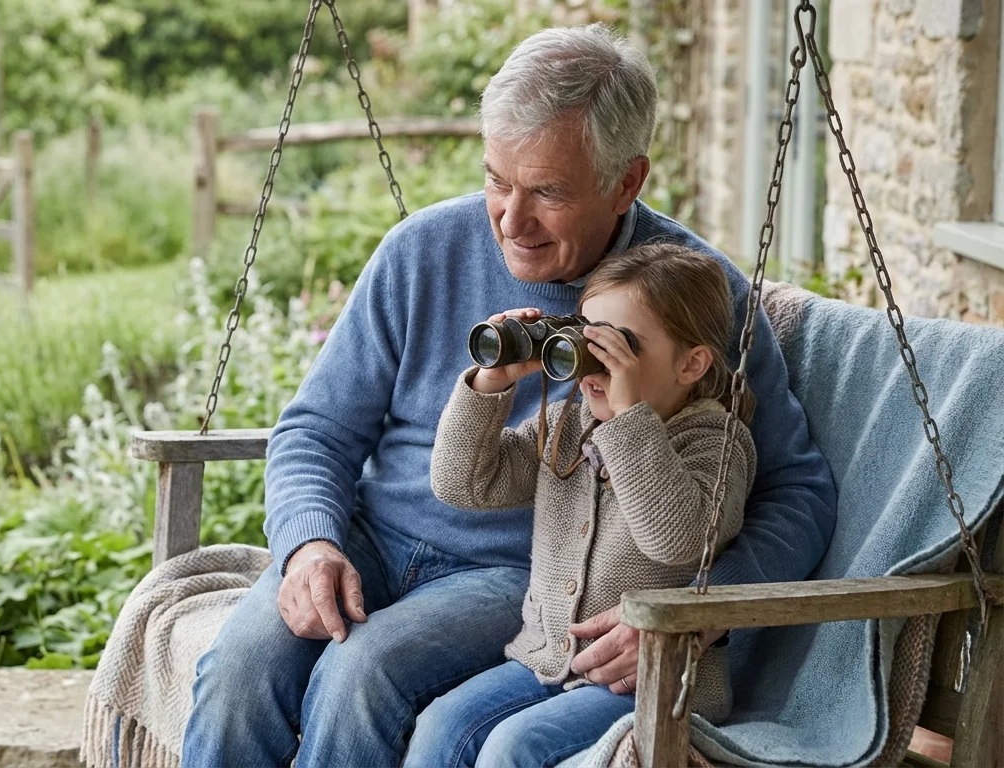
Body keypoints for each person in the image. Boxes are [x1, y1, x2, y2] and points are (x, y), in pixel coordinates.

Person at [181, 23, 836, 768]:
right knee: (238, 673)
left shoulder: (695, 300)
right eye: (498, 179)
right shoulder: (420, 249)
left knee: (358, 678)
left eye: (548, 192)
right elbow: (316, 430)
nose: (509, 220)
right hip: (368, 537)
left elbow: (798, 491)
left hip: (519, 575)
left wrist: (701, 610)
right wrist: (309, 543)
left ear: (627, 181)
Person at [404, 244, 755, 768]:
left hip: (653, 686)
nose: (591, 362)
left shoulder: (717, 441)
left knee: (514, 747)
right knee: (441, 726)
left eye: (620, 347)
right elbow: (464, 483)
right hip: (544, 661)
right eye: (585, 339)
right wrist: (489, 384)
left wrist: (627, 417)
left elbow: (677, 537)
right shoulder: (570, 428)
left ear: (691, 363)